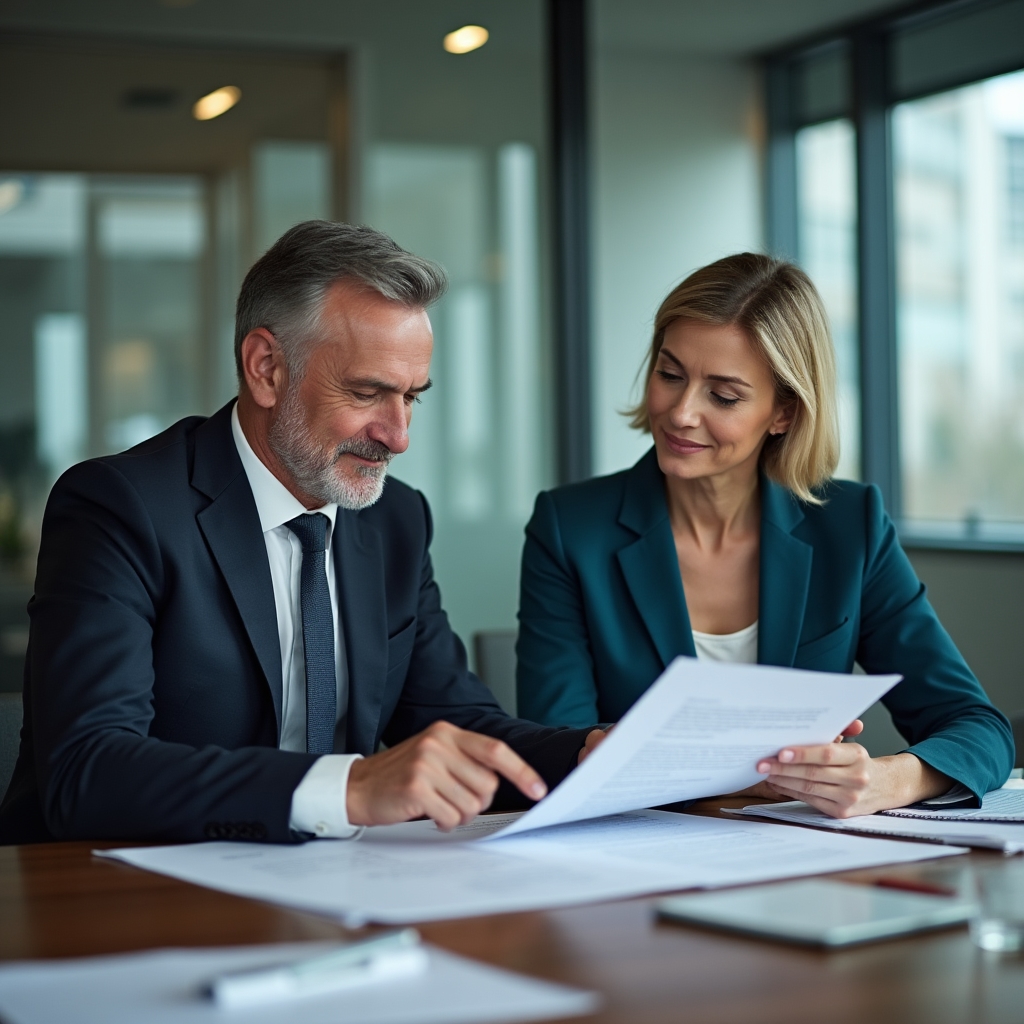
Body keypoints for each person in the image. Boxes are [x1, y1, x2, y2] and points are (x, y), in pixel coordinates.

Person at [0, 221, 596, 845]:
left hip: (328, 888)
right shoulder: (120, 508)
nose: (398, 436)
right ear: (266, 368)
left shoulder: (395, 519)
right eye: (368, 392)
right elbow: (87, 771)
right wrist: (348, 788)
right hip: (115, 893)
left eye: (411, 397)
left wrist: (591, 754)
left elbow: (456, 723)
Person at [517, 252, 1013, 817]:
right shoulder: (570, 527)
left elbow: (979, 729)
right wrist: (748, 786)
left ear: (784, 412)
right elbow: (556, 749)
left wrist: (887, 779)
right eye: (670, 374)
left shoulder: (851, 525)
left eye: (723, 396)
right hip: (635, 860)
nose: (680, 412)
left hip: (799, 868)